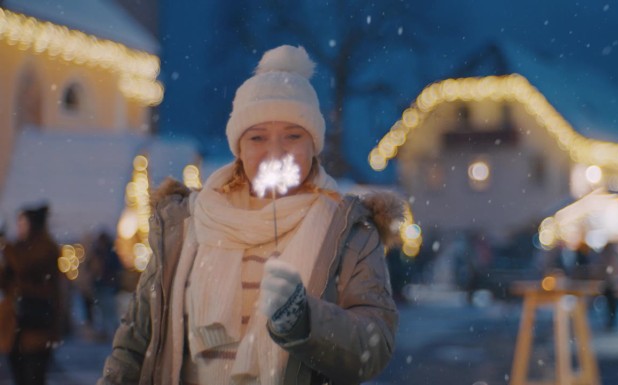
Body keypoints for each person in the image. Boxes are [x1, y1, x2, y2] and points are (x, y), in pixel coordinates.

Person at [98, 45, 401, 385]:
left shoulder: (348, 231)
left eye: (293, 135)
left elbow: (374, 347)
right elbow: (137, 340)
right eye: (257, 137)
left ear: (313, 144)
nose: (275, 151)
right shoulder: (187, 224)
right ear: (238, 148)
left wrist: (304, 320)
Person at [0, 204, 62, 385]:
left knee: (34, 376)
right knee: (20, 377)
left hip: (36, 326)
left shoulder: (46, 247)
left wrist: (6, 247)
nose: (19, 228)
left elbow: (26, 266)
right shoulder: (18, 248)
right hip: (14, 328)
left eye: (23, 223)